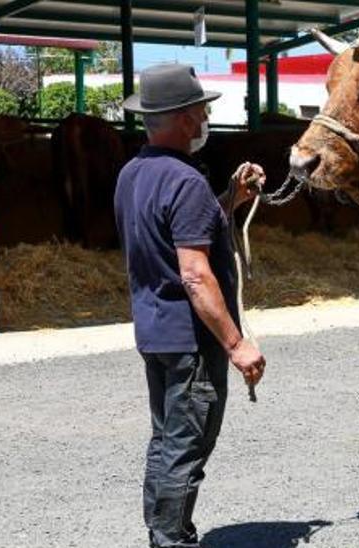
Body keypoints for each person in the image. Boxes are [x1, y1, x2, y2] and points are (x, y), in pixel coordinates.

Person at [115, 63, 267, 548]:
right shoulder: (185, 182)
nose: (205, 117)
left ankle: (161, 533)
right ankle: (171, 540)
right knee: (187, 447)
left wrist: (231, 199)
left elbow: (179, 233)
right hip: (192, 343)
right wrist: (236, 343)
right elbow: (195, 273)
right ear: (182, 117)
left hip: (155, 332)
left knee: (166, 441)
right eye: (201, 108)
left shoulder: (133, 174)